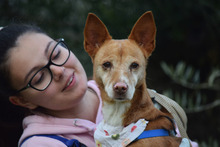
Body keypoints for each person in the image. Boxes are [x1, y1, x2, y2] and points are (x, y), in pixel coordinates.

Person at [0, 24, 198, 147]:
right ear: (22, 100)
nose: (59, 71)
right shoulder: (41, 144)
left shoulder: (146, 100)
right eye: (39, 77)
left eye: (56, 53)